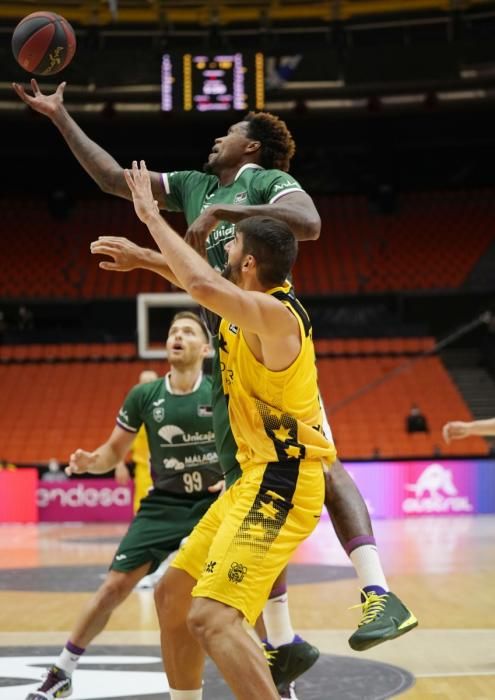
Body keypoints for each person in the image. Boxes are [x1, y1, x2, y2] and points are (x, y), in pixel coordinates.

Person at [13, 79, 415, 663]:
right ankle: (283, 639)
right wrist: (60, 117)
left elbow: (308, 221)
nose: (217, 137)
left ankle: (378, 590)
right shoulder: (196, 186)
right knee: (247, 485)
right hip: (227, 362)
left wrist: (228, 210)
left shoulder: (262, 182)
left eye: (229, 131)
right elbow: (112, 180)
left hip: (266, 340)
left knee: (317, 459)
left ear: (251, 148)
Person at [99, 159, 337, 700]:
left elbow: (203, 282)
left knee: (212, 616)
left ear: (248, 262)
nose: (221, 251)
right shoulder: (243, 308)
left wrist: (148, 217)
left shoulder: (277, 315)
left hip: (282, 483)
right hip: (249, 482)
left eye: (230, 247)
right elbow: (201, 282)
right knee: (174, 596)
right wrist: (146, 260)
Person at [25, 311, 224, 700]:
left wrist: (230, 479)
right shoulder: (144, 396)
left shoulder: (217, 391)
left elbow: (242, 445)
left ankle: (279, 666)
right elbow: (111, 452)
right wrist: (90, 462)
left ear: (205, 348)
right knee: (114, 587)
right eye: (172, 332)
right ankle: (62, 671)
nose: (177, 337)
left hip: (212, 505)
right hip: (164, 504)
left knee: (248, 586)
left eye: (187, 331)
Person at [114, 369, 159, 512]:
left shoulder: (167, 409)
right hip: (144, 474)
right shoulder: (133, 414)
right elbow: (119, 443)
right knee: (142, 513)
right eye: (145, 383)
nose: (148, 386)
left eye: (152, 383)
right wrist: (119, 465)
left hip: (169, 474)